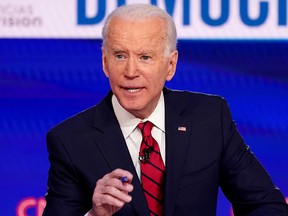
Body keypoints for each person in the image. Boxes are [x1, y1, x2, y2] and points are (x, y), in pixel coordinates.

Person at [43, 3, 288, 216]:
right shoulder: (70, 141)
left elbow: (265, 206)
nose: (130, 71)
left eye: (145, 57)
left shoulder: (210, 118)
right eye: (119, 56)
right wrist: (96, 215)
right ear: (105, 63)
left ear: (171, 65)